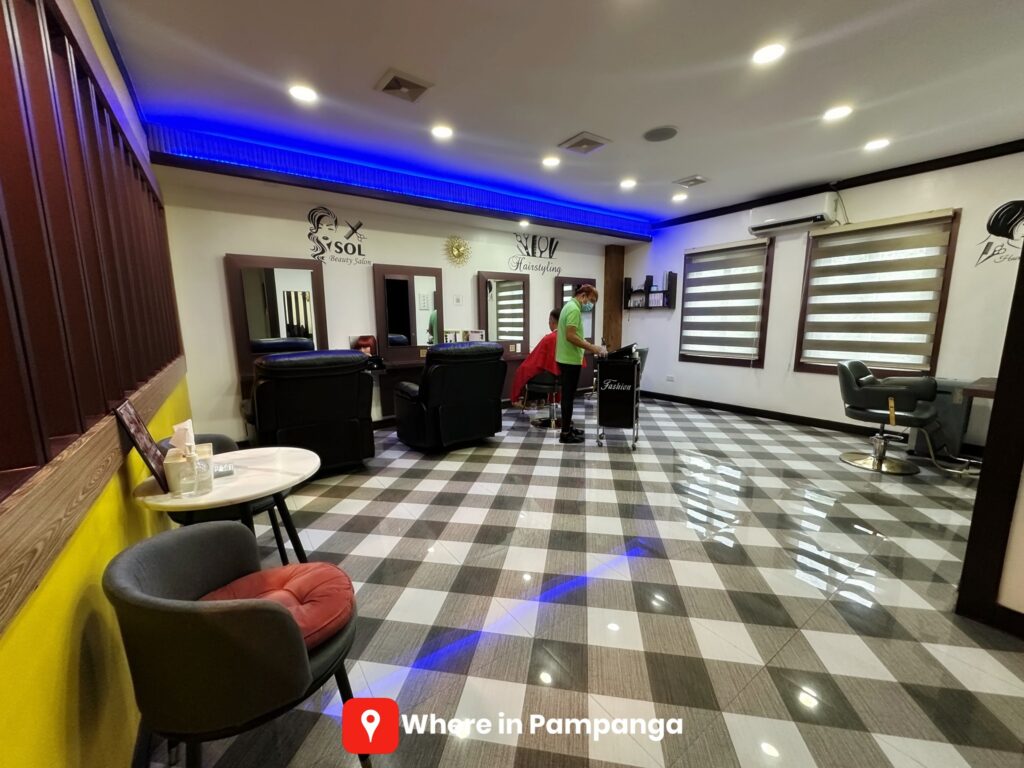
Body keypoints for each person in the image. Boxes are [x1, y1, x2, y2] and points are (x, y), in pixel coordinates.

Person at [556, 284, 604, 444]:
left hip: (567, 358)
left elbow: (575, 334)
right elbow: (570, 336)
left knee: (568, 396)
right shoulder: (574, 309)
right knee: (568, 398)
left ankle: (568, 427)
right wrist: (592, 347)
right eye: (591, 300)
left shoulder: (569, 306)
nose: (590, 305)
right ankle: (565, 433)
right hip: (569, 360)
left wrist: (589, 345)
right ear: (583, 295)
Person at [510, 309, 562, 403]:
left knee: (522, 370)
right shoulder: (568, 337)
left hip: (548, 379)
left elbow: (535, 361)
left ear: (552, 322)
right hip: (562, 377)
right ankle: (541, 400)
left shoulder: (549, 338)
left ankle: (518, 400)